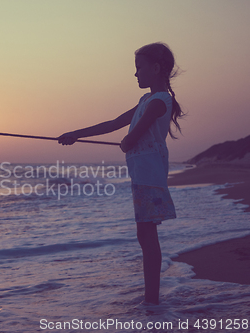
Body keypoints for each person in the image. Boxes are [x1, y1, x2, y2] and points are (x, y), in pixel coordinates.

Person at [58, 42, 184, 305]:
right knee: (145, 234)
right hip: (142, 174)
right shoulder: (146, 100)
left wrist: (127, 143)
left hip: (149, 175)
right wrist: (76, 135)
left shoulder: (160, 101)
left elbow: (132, 137)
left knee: (147, 234)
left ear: (156, 68)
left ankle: (152, 299)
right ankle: (152, 297)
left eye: (139, 67)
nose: (135, 73)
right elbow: (114, 124)